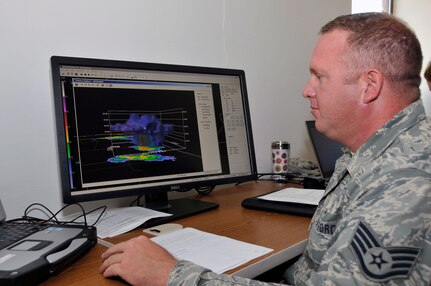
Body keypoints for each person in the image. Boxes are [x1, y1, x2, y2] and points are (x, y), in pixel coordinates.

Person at [99, 13, 431, 285]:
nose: (306, 90)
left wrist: (170, 275)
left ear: (369, 86)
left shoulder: (408, 181)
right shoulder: (376, 151)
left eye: (320, 77)